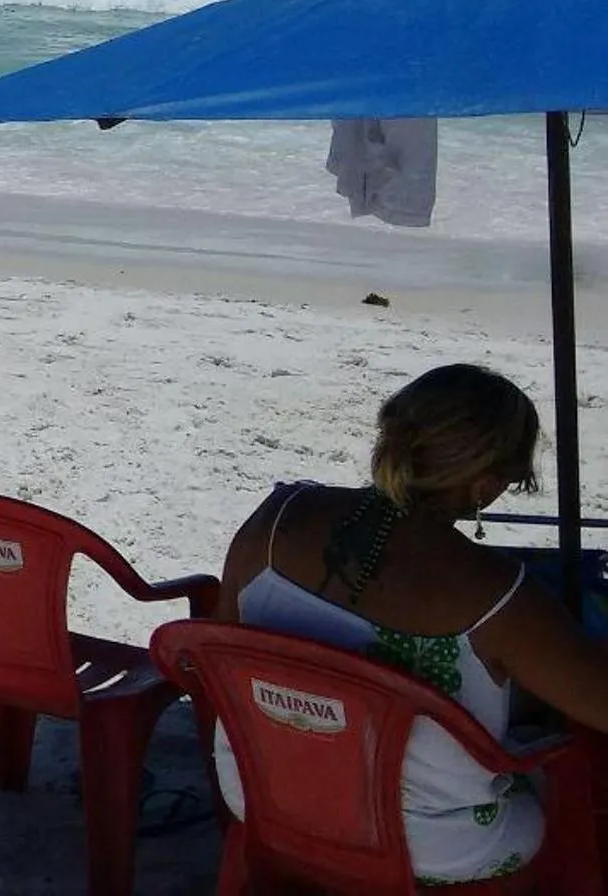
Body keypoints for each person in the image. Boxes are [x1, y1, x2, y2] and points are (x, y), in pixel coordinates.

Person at [211, 364, 608, 884]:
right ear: (483, 486)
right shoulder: (495, 593)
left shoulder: (277, 516)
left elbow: (222, 637)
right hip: (431, 842)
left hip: (262, 792)